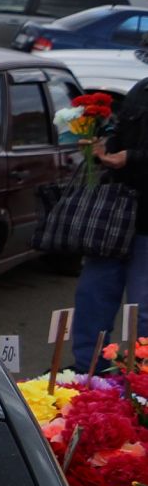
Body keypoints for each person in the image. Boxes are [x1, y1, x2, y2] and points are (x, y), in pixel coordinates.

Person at [75, 78, 148, 368]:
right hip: (115, 217)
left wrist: (132, 157)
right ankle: (88, 371)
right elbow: (119, 133)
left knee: (144, 311)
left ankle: (141, 380)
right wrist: (102, 147)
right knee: (93, 296)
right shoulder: (141, 89)